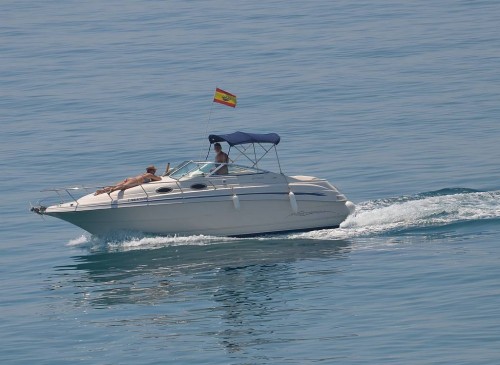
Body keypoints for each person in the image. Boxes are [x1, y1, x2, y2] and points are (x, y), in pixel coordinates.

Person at [95, 165, 162, 195]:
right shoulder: (149, 175)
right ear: (151, 171)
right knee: (124, 187)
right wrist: (154, 178)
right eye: (154, 170)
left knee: (115, 185)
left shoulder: (144, 174)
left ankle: (101, 191)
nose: (155, 172)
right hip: (135, 181)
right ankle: (113, 190)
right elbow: (159, 179)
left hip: (131, 179)